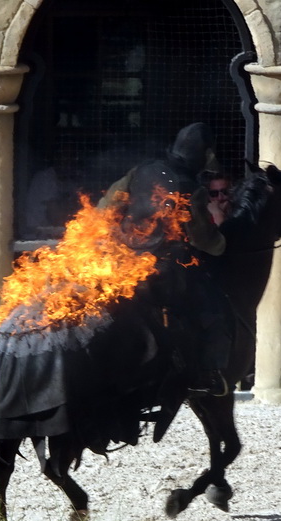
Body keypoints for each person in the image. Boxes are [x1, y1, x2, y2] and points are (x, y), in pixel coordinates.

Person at [98, 122, 232, 395]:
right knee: (214, 306)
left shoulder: (140, 172)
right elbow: (204, 240)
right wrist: (221, 244)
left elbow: (104, 209)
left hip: (118, 264)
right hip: (161, 272)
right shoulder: (190, 188)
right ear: (205, 155)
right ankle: (207, 375)